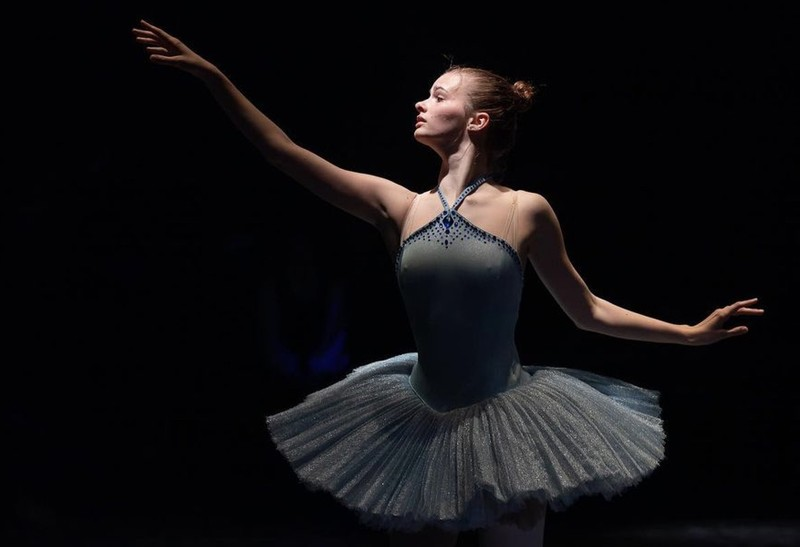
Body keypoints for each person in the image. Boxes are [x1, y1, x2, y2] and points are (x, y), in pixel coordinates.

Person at [132, 19, 765, 547]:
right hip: (421, 422)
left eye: (438, 95)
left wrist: (689, 334)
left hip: (509, 420)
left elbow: (587, 310)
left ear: (478, 121)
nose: (421, 103)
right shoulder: (398, 207)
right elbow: (285, 153)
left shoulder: (525, 209)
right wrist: (214, 77)